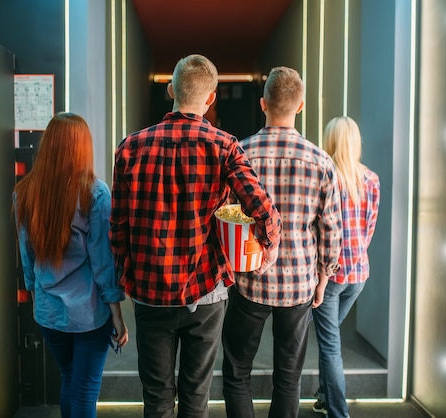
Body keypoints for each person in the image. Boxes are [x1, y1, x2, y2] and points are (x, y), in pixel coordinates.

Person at [109, 54, 282, 418]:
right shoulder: (224, 146)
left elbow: (118, 225)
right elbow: (262, 208)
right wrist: (269, 245)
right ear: (211, 98)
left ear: (171, 89)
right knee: (195, 396)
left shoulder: (130, 147)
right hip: (206, 291)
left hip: (150, 291)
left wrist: (127, 274)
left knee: (156, 399)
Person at [221, 66, 343, 418]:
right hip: (299, 284)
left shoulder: (240, 153)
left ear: (263, 104)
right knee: (289, 379)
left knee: (237, 372)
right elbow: (330, 228)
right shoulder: (321, 161)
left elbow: (227, 216)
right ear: (301, 106)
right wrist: (323, 278)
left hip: (250, 280)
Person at [13, 112, 129, 418]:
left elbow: (26, 255)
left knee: (69, 380)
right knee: (85, 389)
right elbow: (103, 261)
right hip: (88, 312)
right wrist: (116, 312)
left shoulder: (24, 192)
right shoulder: (94, 193)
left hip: (48, 311)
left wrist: (34, 292)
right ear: (82, 148)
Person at [311, 116, 381, 418]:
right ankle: (324, 395)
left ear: (330, 142)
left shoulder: (325, 177)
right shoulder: (371, 179)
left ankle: (338, 413)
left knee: (330, 346)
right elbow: (369, 229)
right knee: (332, 337)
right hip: (359, 272)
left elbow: (320, 229)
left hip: (331, 275)